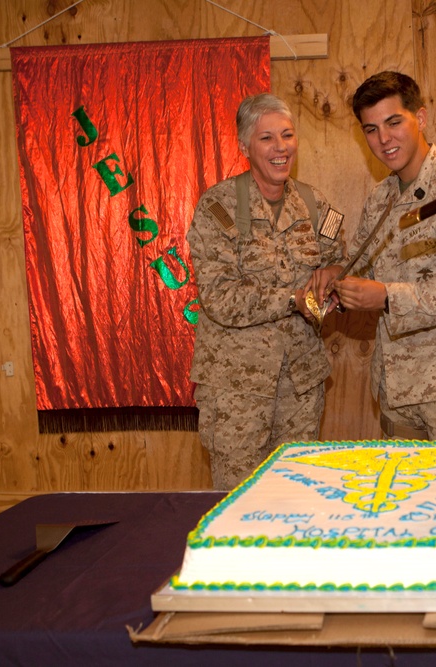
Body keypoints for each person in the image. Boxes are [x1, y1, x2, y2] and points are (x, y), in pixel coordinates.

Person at [315, 71, 436, 440]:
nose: (383, 139)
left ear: (421, 118)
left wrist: (385, 296)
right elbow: (360, 266)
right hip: (395, 391)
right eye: (371, 129)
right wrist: (336, 282)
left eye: (394, 122)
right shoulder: (381, 197)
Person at [187, 93, 345, 489]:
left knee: (296, 495)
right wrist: (292, 299)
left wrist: (335, 281)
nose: (281, 148)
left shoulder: (315, 204)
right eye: (267, 139)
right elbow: (220, 298)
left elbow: (343, 261)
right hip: (237, 390)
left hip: (301, 385)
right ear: (244, 146)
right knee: (238, 501)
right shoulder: (217, 207)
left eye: (287, 136)